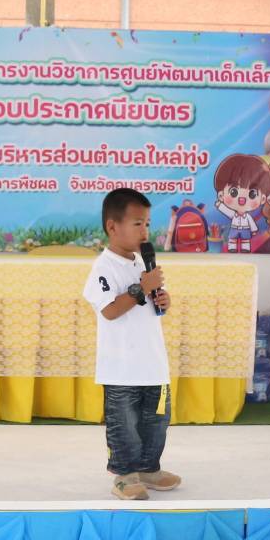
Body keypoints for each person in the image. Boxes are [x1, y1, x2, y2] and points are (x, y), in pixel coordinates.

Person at [82, 188, 179, 501]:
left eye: (147, 223)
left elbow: (148, 305)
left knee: (156, 422)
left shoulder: (142, 263)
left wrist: (162, 300)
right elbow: (110, 310)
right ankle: (124, 476)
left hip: (153, 364)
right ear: (113, 227)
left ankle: (149, 469)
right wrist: (142, 288)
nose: (145, 231)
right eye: (137, 224)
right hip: (121, 368)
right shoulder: (104, 267)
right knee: (124, 425)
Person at [212, 152, 270, 253]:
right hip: (234, 229)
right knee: (232, 239)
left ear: (263, 199)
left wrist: (254, 230)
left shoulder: (248, 217)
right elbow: (227, 212)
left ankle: (245, 248)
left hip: (246, 230)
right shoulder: (234, 214)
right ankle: (232, 247)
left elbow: (251, 222)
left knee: (245, 240)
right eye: (234, 192)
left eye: (252, 194)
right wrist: (220, 206)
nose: (242, 198)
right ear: (221, 195)